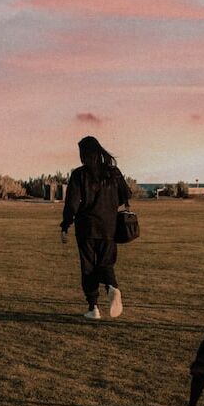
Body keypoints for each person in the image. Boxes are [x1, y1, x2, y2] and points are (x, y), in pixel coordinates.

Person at [60, 136, 130, 320]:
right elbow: (125, 195)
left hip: (86, 228)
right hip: (110, 227)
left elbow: (72, 204)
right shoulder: (113, 172)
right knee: (106, 263)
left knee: (88, 267)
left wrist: (65, 225)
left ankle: (94, 308)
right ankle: (112, 287)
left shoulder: (79, 174)